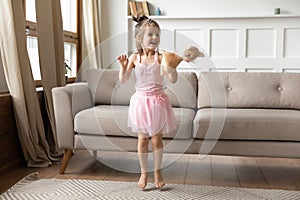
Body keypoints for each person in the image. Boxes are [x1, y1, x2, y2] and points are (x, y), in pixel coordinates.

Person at [117, 15, 178, 190]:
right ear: (139, 38)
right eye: (150, 34)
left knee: (157, 141)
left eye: (157, 35)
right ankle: (144, 172)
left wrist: (173, 67)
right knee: (143, 140)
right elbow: (123, 79)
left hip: (157, 102)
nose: (154, 38)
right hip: (140, 102)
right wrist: (123, 67)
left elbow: (172, 79)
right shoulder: (135, 58)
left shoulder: (161, 57)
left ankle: (157, 171)